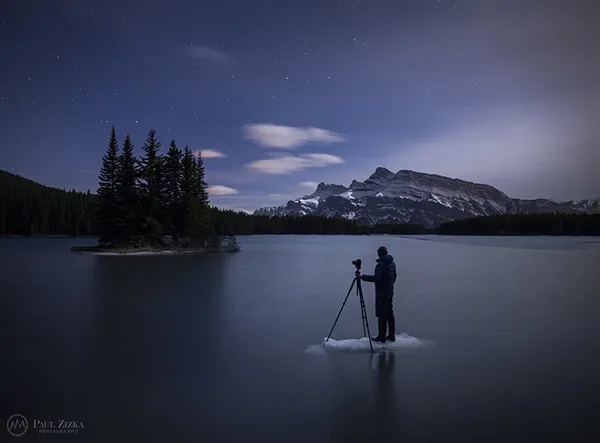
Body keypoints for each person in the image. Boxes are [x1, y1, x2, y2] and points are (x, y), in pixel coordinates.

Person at [355, 246, 397, 343]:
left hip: (382, 293)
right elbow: (394, 276)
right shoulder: (392, 263)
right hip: (390, 291)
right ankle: (391, 335)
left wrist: (362, 277)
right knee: (389, 313)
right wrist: (390, 285)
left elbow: (377, 278)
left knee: (381, 314)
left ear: (379, 253)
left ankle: (381, 337)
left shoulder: (380, 265)